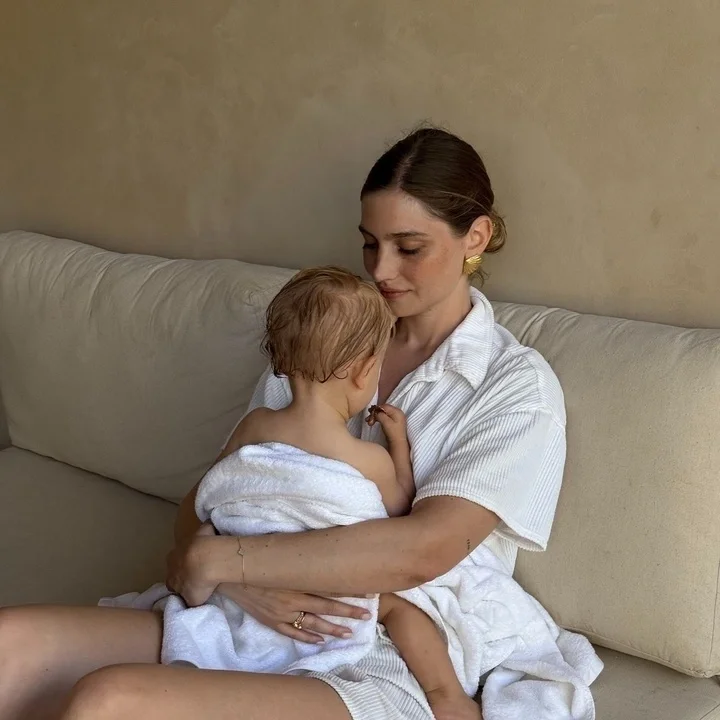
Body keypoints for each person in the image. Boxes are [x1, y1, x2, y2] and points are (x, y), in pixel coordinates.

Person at [0, 127, 567, 720]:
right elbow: (214, 502)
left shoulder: (513, 386)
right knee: (11, 643)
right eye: (370, 244)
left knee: (109, 701)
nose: (380, 269)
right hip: (240, 613)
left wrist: (223, 562)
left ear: (475, 236)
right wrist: (235, 581)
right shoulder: (327, 336)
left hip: (383, 640)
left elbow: (423, 550)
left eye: (408, 247)